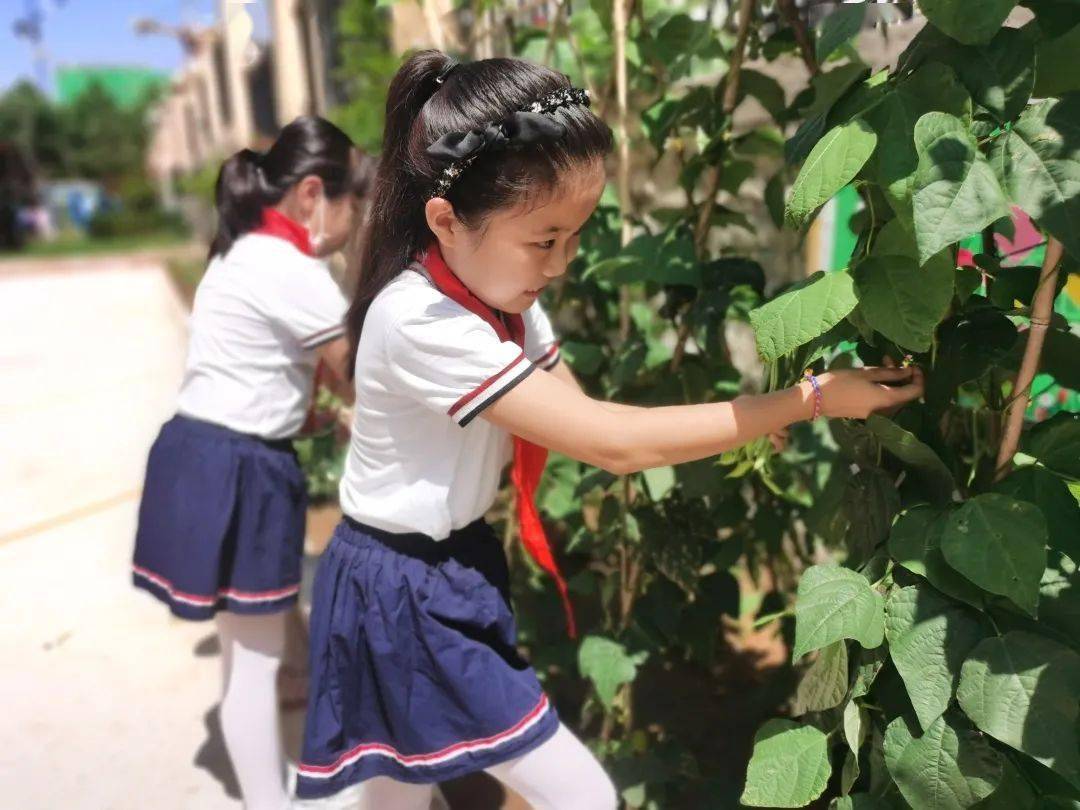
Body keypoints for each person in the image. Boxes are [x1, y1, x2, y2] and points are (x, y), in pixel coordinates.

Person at [294, 52, 924, 810]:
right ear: (445, 220)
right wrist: (806, 399)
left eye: (574, 237)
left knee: (389, 793)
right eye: (545, 239)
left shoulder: (504, 296)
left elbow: (584, 419)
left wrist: (749, 424)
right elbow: (608, 441)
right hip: (397, 585)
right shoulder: (421, 318)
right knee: (574, 797)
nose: (560, 264)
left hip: (440, 569)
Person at [131, 116, 375, 810]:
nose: (354, 221)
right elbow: (357, 373)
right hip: (239, 470)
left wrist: (310, 411)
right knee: (254, 664)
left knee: (244, 655)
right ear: (310, 194)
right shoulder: (293, 269)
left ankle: (269, 794)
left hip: (200, 455)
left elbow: (251, 375)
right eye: (352, 202)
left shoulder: (237, 254)